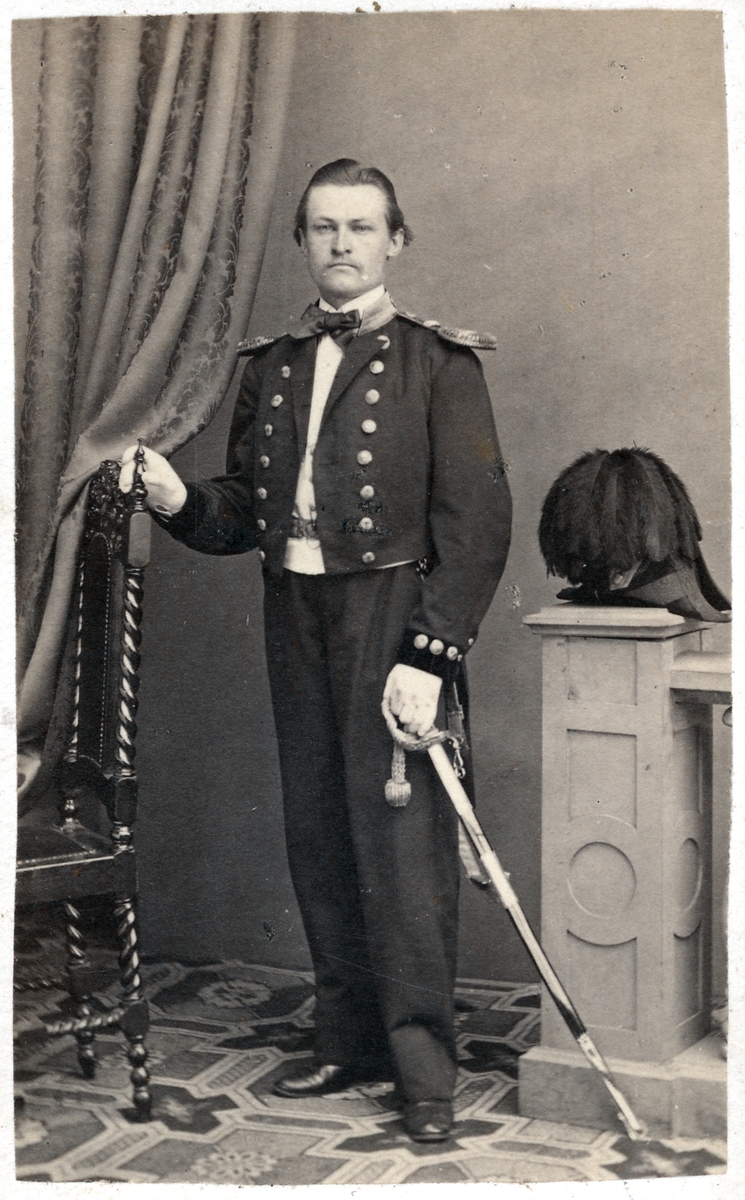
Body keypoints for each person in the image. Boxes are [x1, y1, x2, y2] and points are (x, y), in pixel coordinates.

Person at [120, 159, 512, 1142]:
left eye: (360, 227)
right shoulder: (272, 364)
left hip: (391, 613)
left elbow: (476, 526)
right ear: (303, 240)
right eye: (323, 227)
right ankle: (346, 1040)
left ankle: (422, 1072)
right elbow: (241, 514)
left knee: (399, 846)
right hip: (293, 609)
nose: (340, 244)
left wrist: (428, 656)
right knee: (319, 828)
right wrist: (177, 497)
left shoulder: (438, 364)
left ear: (395, 241)